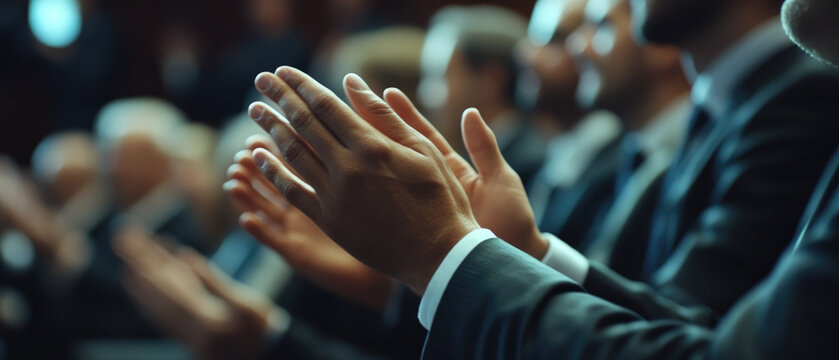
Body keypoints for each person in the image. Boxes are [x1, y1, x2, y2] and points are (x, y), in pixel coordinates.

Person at [235, 0, 839, 352]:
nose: (546, 53)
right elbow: (699, 332)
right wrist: (524, 251)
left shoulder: (800, 96)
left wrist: (447, 256)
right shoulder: (717, 113)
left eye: (592, 26)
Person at [418, 5, 547, 186]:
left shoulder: (531, 166)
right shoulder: (464, 157)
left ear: (491, 80)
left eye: (441, 76)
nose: (425, 94)